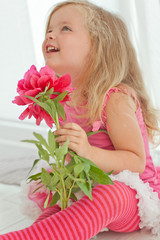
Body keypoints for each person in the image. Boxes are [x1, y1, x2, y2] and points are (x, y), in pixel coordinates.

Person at [1, 0, 160, 239]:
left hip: (132, 195)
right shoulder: (63, 100)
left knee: (110, 193)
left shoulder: (114, 98)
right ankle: (34, 235)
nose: (51, 34)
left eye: (65, 28)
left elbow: (136, 162)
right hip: (86, 185)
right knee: (60, 201)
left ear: (99, 47)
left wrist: (87, 151)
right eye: (49, 30)